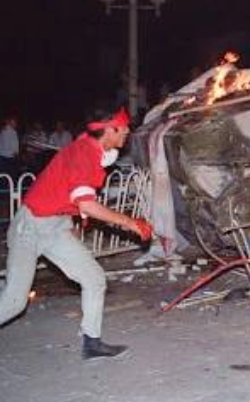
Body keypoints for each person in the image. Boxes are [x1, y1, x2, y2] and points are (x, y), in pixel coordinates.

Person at [0, 108, 153, 360]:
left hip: (54, 226)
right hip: (31, 226)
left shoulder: (89, 147)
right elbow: (87, 204)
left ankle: (91, 343)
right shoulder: (85, 153)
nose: (128, 131)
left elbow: (72, 194)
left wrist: (73, 219)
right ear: (110, 129)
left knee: (94, 278)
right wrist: (130, 222)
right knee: (14, 302)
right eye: (124, 127)